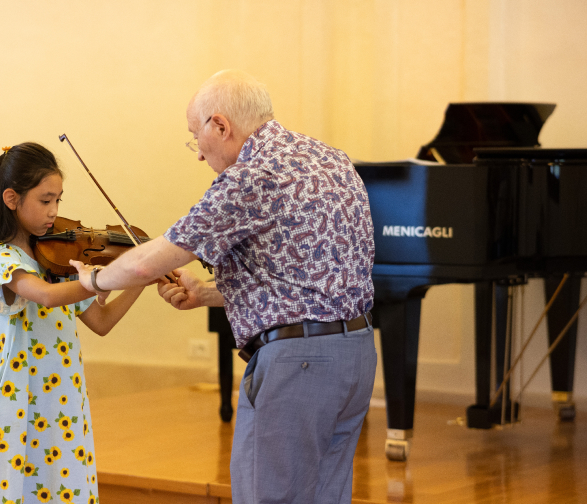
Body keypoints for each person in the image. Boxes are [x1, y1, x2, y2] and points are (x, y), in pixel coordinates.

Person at [69, 70, 377, 503]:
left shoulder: (253, 175)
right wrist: (208, 295)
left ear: (221, 125)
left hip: (297, 366)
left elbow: (149, 262)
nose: (198, 153)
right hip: (356, 356)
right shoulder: (331, 159)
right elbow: (306, 280)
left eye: (196, 137)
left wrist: (93, 280)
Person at [0, 143, 146, 504]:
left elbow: (102, 320)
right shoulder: (4, 259)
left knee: (63, 488)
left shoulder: (57, 263)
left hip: (62, 404)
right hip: (19, 401)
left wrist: (142, 274)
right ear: (11, 198)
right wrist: (97, 281)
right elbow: (46, 296)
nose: (54, 212)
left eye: (58, 201)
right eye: (45, 200)